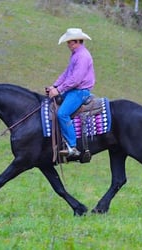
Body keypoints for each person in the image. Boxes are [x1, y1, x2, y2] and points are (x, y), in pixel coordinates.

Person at [46, 28, 96, 157]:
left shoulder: (82, 56)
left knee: (62, 113)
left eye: (69, 42)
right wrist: (55, 85)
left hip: (80, 91)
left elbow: (75, 79)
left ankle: (72, 146)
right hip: (73, 90)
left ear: (76, 41)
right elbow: (67, 73)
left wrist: (59, 90)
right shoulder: (76, 54)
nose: (68, 45)